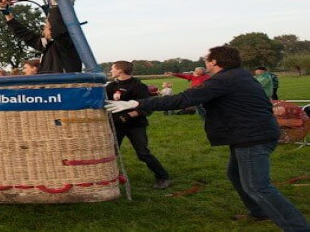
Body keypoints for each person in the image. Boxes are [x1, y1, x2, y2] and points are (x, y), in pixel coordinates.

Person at [106, 46, 308, 231]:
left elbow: (183, 99)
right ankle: (259, 212)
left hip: (253, 137)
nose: (205, 63)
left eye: (207, 59)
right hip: (252, 134)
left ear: (214, 62)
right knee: (236, 175)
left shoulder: (225, 80)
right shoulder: (239, 76)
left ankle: (297, 227)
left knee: (258, 186)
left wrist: (136, 103)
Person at [106, 61, 171, 189]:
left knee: (143, 153)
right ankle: (109, 179)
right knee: (110, 153)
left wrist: (127, 116)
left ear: (120, 71)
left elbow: (146, 108)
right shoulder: (111, 86)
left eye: (112, 69)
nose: (110, 71)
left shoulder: (138, 86)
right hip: (116, 125)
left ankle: (163, 177)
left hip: (135, 125)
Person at [0, 0, 82, 73]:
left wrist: (55, 7)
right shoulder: (47, 45)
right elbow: (24, 34)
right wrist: (6, 12)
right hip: (51, 88)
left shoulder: (66, 44)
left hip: (64, 89)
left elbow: (58, 29)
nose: (44, 28)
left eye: (46, 26)